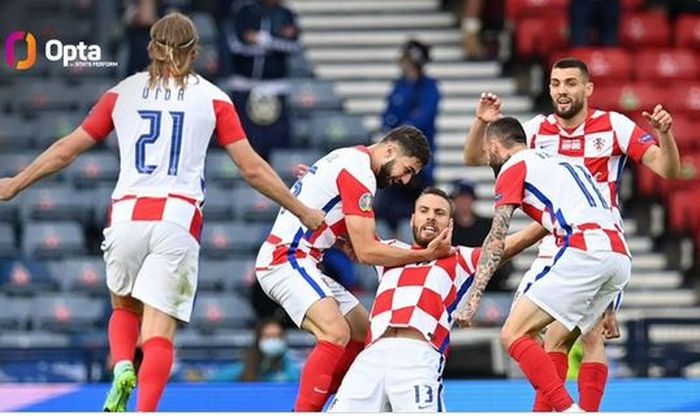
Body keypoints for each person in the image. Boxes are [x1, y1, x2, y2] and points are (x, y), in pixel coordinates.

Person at [0, 12, 324, 412]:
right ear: (195, 52)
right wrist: (301, 209)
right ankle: (144, 410)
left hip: (125, 217)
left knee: (123, 307)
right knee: (159, 334)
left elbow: (68, 149)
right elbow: (252, 168)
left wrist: (15, 182)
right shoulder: (213, 99)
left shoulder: (122, 92)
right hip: (177, 219)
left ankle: (121, 366)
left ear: (151, 48)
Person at [463, 57, 680, 411]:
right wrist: (482, 124)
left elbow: (668, 169)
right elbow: (478, 157)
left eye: (570, 83)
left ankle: (576, 410)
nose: (562, 91)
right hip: (560, 240)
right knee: (551, 338)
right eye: (555, 84)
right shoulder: (536, 130)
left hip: (595, 238)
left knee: (589, 334)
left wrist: (666, 135)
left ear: (588, 89)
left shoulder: (613, 126)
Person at [254, 125, 454, 412]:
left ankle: (336, 402)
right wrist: (425, 254)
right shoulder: (359, 174)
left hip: (304, 260)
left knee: (365, 333)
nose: (405, 179)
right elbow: (366, 251)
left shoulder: (345, 158)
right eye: (407, 169)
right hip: (285, 259)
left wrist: (340, 238)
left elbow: (348, 236)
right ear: (389, 150)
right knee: (335, 332)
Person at [456, 116, 634, 412]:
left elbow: (497, 236)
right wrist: (608, 304)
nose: (487, 158)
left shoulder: (514, 166)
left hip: (582, 250)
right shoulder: (565, 162)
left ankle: (568, 411)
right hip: (618, 255)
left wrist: (473, 297)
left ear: (495, 145)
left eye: (488, 152)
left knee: (513, 333)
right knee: (557, 339)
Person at [327, 187, 548, 412]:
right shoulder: (389, 252)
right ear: (413, 219)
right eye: (424, 210)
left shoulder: (462, 258)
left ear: (450, 224)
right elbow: (345, 225)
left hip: (417, 356)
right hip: (371, 356)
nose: (431, 216)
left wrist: (556, 215)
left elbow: (511, 244)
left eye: (439, 212)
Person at [375, 39, 440, 235]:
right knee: (385, 212)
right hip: (395, 157)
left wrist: (398, 130)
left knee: (413, 215)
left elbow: (422, 119)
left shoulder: (429, 87)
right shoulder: (399, 85)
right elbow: (386, 118)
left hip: (418, 160)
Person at [224, 0, 300, 160]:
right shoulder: (243, 10)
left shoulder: (286, 14)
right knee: (243, 136)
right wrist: (267, 46)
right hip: (244, 85)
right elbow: (235, 45)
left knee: (275, 138)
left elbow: (293, 46)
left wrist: (266, 41)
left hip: (275, 85)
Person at [450, 179, 513, 291]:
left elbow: (504, 255)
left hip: (489, 283)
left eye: (465, 198)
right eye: (458, 198)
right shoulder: (448, 229)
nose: (462, 202)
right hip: (457, 283)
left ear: (472, 199)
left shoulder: (488, 225)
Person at [209, 319, 302, 382]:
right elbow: (218, 380)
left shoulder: (290, 365)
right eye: (268, 337)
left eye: (277, 336)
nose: (273, 341)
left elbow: (296, 378)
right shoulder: (249, 365)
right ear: (259, 340)